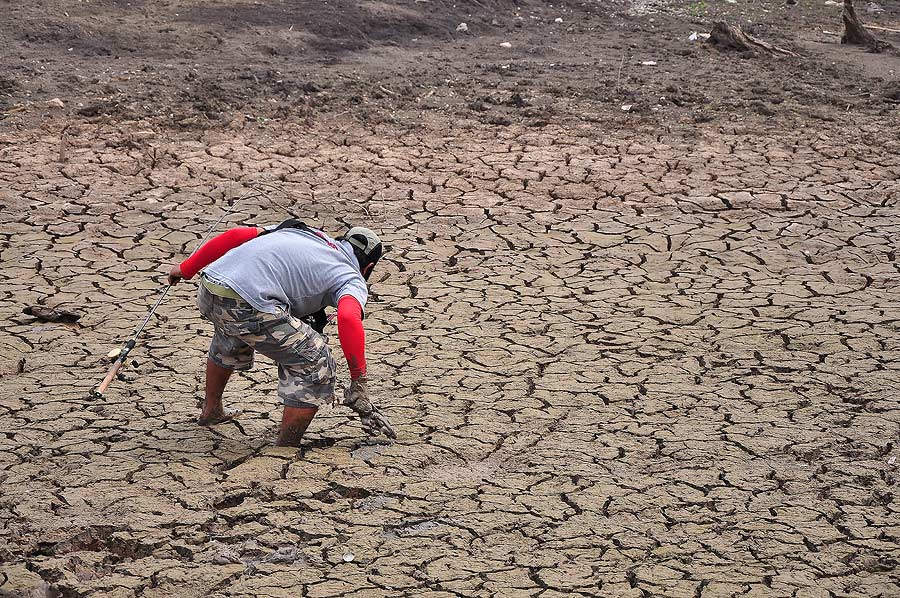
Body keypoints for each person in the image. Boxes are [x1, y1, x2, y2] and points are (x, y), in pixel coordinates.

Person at [167, 220, 395, 446]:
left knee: (234, 328)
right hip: (246, 304)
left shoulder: (306, 232)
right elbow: (347, 318)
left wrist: (186, 269)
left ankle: (211, 411)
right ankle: (285, 447)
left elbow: (236, 235)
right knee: (316, 360)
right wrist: (358, 380)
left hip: (211, 287)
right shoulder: (351, 276)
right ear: (369, 268)